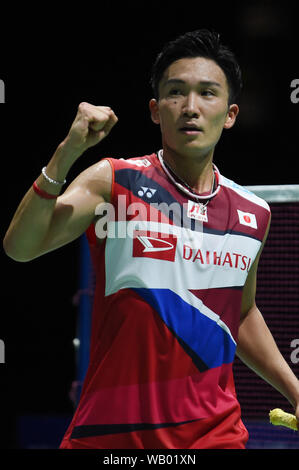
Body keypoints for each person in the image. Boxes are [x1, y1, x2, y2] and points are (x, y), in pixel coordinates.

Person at [3, 29, 299, 449]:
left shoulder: (254, 214)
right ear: (156, 110)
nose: (191, 108)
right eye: (176, 93)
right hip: (111, 436)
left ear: (230, 114)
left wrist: (295, 389)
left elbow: (242, 310)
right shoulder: (116, 181)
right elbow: (20, 247)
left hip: (214, 436)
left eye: (207, 93)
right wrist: (67, 152)